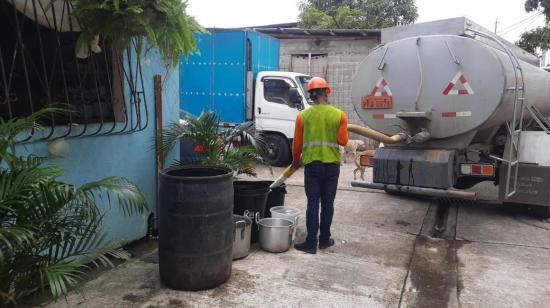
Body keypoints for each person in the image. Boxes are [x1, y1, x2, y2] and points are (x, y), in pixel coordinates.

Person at [292, 77, 349, 254]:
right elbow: (343, 141)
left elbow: (297, 144)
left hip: (312, 166)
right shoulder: (340, 115)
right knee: (328, 203)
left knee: (313, 203)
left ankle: (311, 243)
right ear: (326, 92)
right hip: (332, 166)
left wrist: (295, 160)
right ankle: (324, 240)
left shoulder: (303, 116)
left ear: (311, 96)